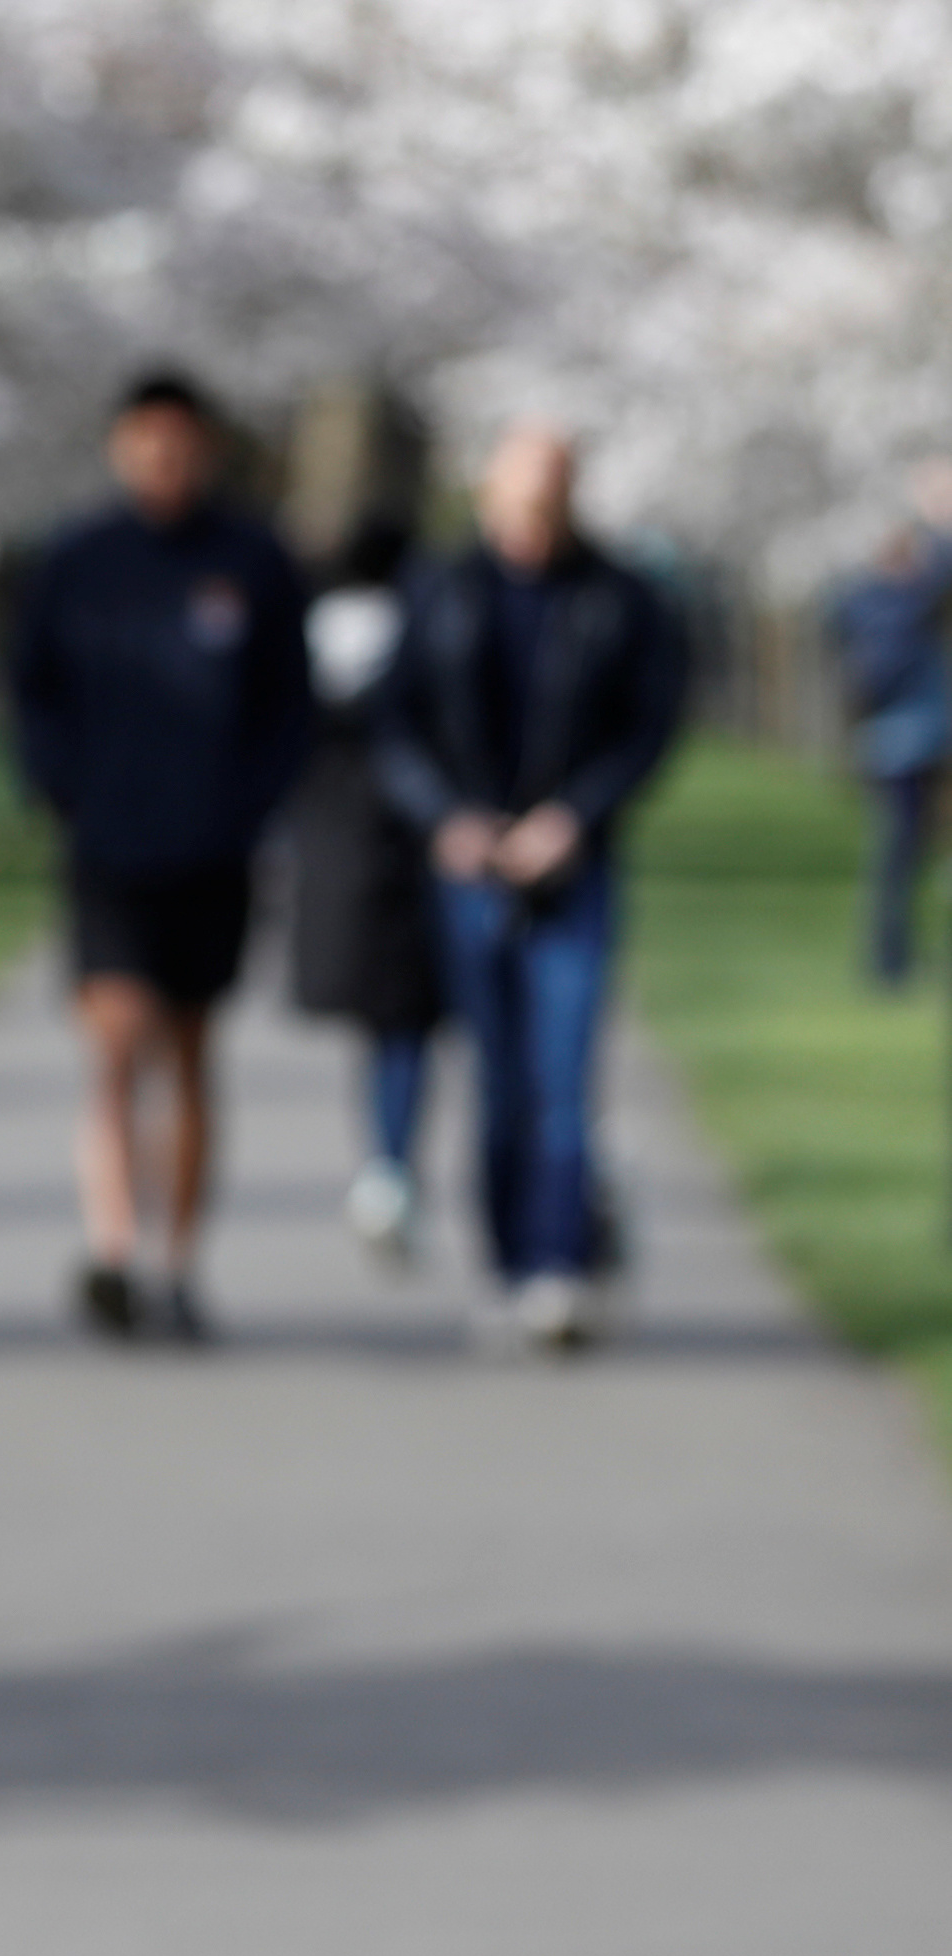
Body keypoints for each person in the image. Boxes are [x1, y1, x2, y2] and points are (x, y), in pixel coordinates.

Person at [10, 371, 312, 1342]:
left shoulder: (252, 561)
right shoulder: (78, 560)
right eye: (145, 441)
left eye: (178, 443)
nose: (162, 460)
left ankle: (175, 1262)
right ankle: (111, 1248)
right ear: (118, 447)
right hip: (107, 845)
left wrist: (249, 806)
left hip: (210, 851)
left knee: (184, 1054)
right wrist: (61, 792)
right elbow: (31, 692)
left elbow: (288, 707)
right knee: (112, 1040)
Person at [370, 423, 685, 1351]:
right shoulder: (439, 592)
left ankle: (560, 1268)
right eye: (522, 497)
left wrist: (574, 819)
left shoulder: (618, 598)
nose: (536, 516)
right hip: (472, 869)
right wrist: (445, 819)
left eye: (553, 497)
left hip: (570, 870)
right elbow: (394, 726)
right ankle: (507, 1268)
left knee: (563, 1076)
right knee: (500, 1081)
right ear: (489, 496)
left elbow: (646, 726)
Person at [287, 520, 440, 1264]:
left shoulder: (311, 631)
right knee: (404, 1023)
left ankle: (384, 1167)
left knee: (377, 1024)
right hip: (415, 845)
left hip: (334, 845)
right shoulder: (425, 626)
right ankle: (390, 1163)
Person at [827, 472, 952, 988]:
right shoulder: (898, 606)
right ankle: (888, 957)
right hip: (912, 741)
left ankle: (890, 956)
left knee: (899, 854)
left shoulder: (860, 603)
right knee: (901, 852)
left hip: (890, 741)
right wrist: (940, 519)